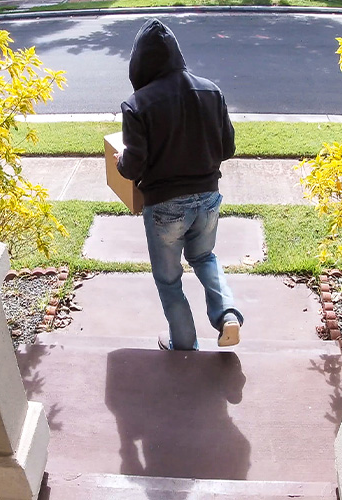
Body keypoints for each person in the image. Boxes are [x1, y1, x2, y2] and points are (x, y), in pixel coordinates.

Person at [114, 18, 242, 351]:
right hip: (209, 200)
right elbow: (227, 149)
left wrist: (120, 162)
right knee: (205, 257)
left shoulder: (137, 104)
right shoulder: (212, 91)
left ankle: (184, 344)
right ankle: (227, 314)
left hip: (165, 207)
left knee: (169, 280)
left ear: (139, 63)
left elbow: (133, 167)